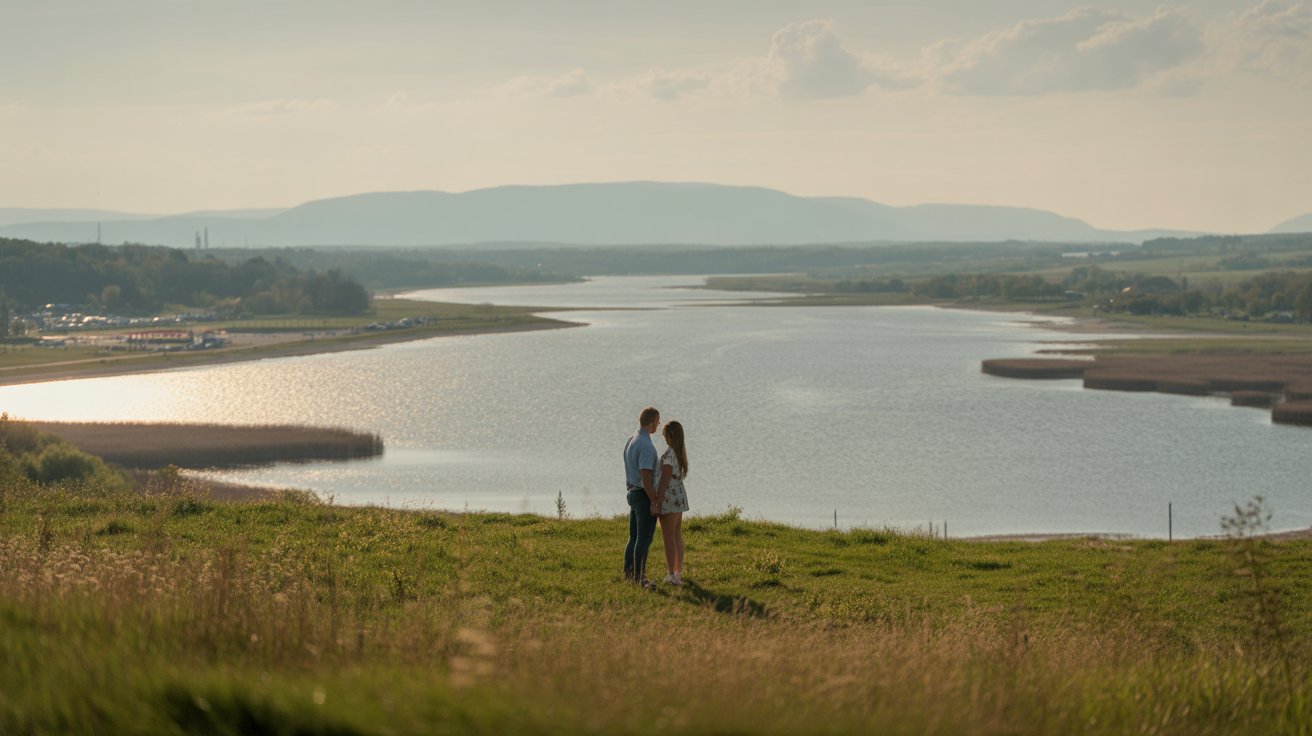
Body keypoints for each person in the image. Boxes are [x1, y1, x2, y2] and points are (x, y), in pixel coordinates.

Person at [623, 406, 661, 587]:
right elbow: (646, 476)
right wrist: (654, 499)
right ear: (652, 422)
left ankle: (629, 573)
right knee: (644, 539)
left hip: (632, 491)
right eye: (658, 422)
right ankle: (640, 578)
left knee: (633, 537)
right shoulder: (646, 445)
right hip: (642, 494)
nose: (658, 425)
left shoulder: (631, 439)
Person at [654, 420, 690, 586]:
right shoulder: (679, 453)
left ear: (670, 435)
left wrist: (657, 500)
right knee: (676, 534)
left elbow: (664, 480)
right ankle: (678, 572)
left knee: (668, 536)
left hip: (669, 496)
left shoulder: (669, 456)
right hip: (679, 495)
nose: (663, 437)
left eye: (665, 434)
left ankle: (671, 573)